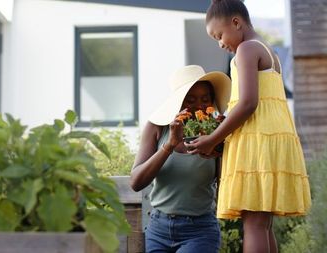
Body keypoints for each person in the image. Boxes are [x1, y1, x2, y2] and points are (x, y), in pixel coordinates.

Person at [185, 1, 312, 253]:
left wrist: (213, 137)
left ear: (236, 22)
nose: (220, 43)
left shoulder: (246, 50)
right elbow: (254, 100)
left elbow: (248, 103)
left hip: (257, 138)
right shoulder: (269, 51)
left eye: (219, 35)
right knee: (262, 224)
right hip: (273, 135)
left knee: (253, 222)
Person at [130, 65, 231, 253]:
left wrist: (220, 145)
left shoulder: (215, 133)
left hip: (199, 230)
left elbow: (226, 185)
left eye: (205, 99)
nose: (199, 106)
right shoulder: (157, 128)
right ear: (177, 102)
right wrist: (169, 145)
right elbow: (136, 182)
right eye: (190, 100)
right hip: (158, 229)